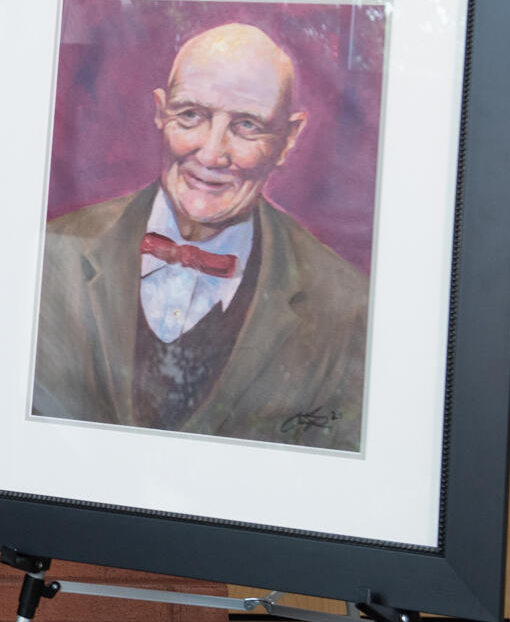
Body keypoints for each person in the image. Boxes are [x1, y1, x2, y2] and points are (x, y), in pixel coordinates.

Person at [33, 22, 369, 451]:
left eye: (246, 125)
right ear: (161, 112)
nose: (211, 154)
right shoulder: (51, 255)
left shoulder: (346, 309)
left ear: (287, 139)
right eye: (190, 115)